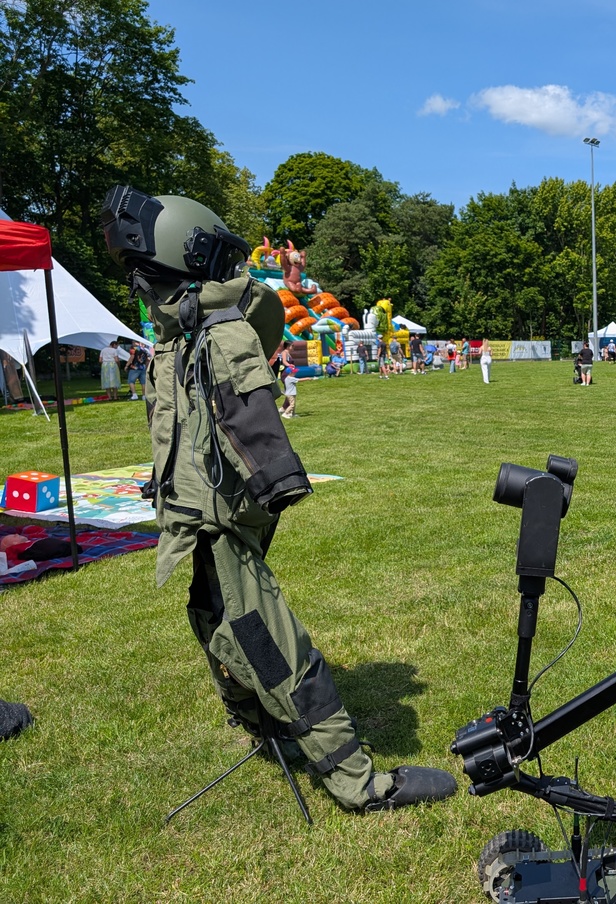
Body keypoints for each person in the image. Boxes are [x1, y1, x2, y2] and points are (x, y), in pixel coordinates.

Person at [100, 186, 455, 811]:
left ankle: (309, 755)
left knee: (242, 630)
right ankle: (314, 754)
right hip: (206, 520)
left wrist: (255, 484)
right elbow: (216, 418)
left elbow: (222, 418)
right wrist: (248, 483)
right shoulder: (196, 333)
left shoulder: (196, 332)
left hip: (208, 518)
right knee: (242, 629)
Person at [280, 346, 298, 416]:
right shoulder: (284, 352)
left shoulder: (289, 353)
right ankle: (285, 411)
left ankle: (287, 410)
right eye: (292, 345)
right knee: (289, 392)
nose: (293, 347)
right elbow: (284, 361)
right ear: (288, 346)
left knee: (289, 392)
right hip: (287, 373)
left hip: (289, 372)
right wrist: (289, 365)